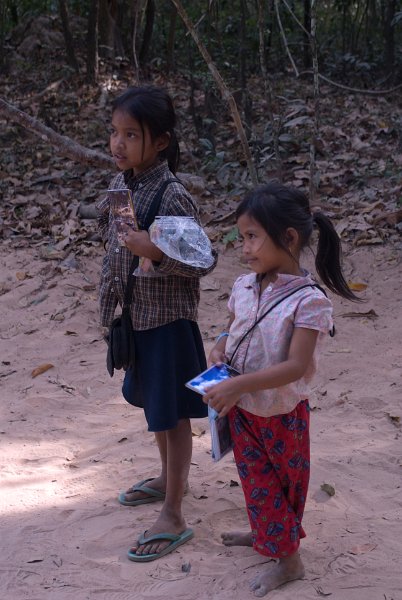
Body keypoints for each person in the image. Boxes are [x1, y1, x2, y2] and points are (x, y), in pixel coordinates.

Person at [203, 182, 359, 597]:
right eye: (242, 238)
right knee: (254, 477)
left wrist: (236, 384)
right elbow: (234, 328)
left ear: (288, 238)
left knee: (284, 484)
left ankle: (289, 561)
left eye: (252, 236)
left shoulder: (309, 301)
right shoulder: (244, 284)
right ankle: (265, 535)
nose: (244, 248)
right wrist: (219, 347)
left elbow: (294, 366)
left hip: (282, 413)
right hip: (243, 406)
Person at [96, 86, 217, 562]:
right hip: (139, 322)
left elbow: (201, 260)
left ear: (160, 141)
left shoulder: (172, 193)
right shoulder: (129, 186)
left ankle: (174, 512)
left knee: (172, 416)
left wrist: (155, 251)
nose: (117, 144)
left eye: (131, 134)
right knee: (156, 412)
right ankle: (168, 479)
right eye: (114, 132)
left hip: (167, 324)